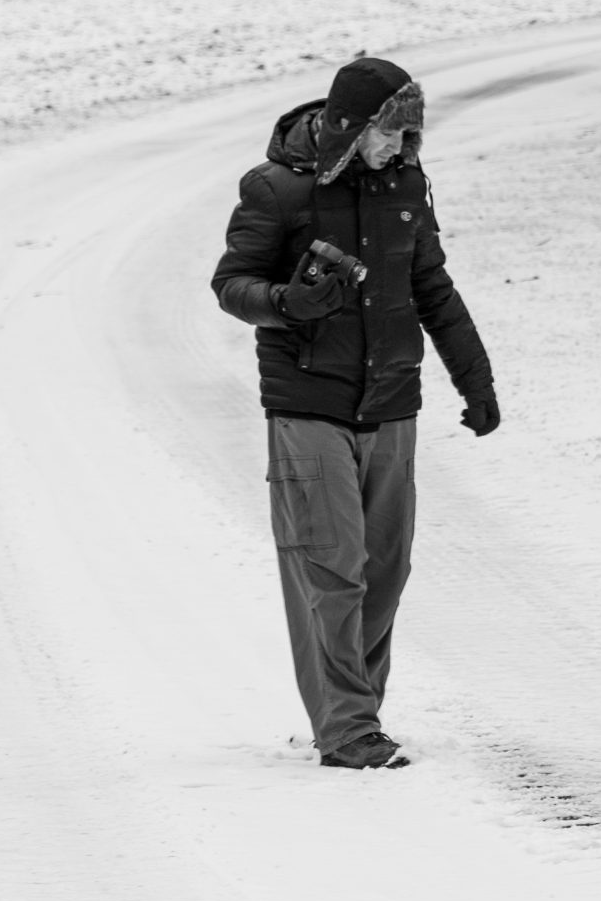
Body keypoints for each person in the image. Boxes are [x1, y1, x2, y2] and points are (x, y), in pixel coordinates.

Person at [212, 55, 499, 769]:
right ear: (349, 126)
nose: (399, 149)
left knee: (385, 568)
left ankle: (355, 710)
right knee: (332, 566)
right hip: (307, 401)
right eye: (388, 134)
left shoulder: (405, 184)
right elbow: (231, 283)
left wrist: (476, 379)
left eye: (409, 136)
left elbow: (430, 286)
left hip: (391, 402)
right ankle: (347, 729)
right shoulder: (277, 189)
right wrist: (286, 304)